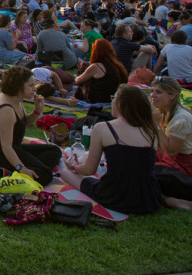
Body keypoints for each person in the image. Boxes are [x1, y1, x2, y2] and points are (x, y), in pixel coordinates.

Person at [61, 85, 191, 213]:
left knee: (65, 173)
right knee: (136, 180)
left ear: (120, 104)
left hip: (115, 195)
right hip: (148, 197)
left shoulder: (102, 128)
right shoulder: (151, 130)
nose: (112, 101)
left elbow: (89, 170)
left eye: (114, 98)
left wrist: (73, 166)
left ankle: (170, 200)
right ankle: (169, 200)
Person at [0, 66, 62, 186]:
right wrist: (21, 168)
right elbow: (6, 146)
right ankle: (18, 174)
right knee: (45, 175)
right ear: (18, 86)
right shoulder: (6, 109)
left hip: (15, 146)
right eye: (30, 86)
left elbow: (24, 124)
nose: (34, 89)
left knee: (55, 150)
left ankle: (32, 166)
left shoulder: (17, 100)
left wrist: (37, 110)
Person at [150, 76, 192, 179]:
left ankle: (166, 196)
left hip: (182, 165)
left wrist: (157, 125)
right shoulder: (164, 111)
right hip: (167, 156)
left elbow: (172, 152)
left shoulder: (181, 118)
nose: (152, 95)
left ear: (172, 95)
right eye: (152, 91)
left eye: (158, 92)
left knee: (144, 171)